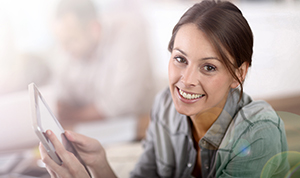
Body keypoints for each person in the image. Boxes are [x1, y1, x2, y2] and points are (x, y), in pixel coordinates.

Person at [39, 0, 290, 177]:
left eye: (209, 67)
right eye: (180, 59)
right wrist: (99, 164)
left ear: (239, 73)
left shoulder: (257, 132)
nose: (186, 80)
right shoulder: (164, 106)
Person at [52, 0, 155, 125]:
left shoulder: (128, 35)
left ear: (94, 28)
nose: (64, 49)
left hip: (138, 127)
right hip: (94, 129)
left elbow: (119, 105)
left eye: (71, 40)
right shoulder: (69, 49)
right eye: (61, 41)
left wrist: (73, 115)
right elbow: (60, 99)